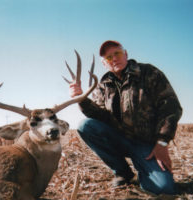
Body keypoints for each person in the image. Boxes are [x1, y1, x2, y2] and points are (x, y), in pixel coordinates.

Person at [69, 40, 182, 195]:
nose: (114, 58)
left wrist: (162, 142)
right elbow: (99, 116)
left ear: (126, 54)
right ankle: (123, 172)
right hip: (120, 140)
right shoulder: (104, 84)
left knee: (163, 189)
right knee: (86, 126)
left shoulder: (149, 73)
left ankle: (145, 171)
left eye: (117, 53)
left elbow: (171, 107)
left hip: (147, 145)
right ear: (104, 63)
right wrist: (81, 98)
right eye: (109, 57)